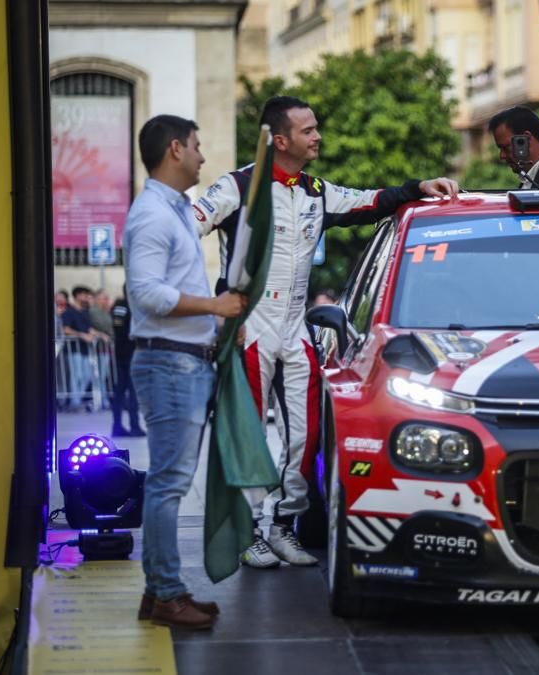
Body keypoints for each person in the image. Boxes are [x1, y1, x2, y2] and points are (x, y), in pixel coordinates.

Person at [194, 95, 459, 569]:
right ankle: (248, 530)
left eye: (316, 128)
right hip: (249, 325)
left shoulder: (315, 189)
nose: (318, 137)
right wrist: (214, 310)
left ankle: (282, 527)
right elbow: (182, 232)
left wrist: (419, 187)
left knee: (307, 434)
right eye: (308, 130)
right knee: (249, 432)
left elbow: (371, 202)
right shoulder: (237, 187)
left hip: (296, 324)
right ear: (280, 140)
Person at [124, 114, 248, 629]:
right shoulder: (153, 214)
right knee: (169, 483)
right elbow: (146, 294)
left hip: (180, 360)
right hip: (169, 362)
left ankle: (162, 592)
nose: (202, 155)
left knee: (169, 481)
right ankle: (167, 594)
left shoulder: (169, 210)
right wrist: (214, 309)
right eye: (196, 146)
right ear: (175, 149)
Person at [110, 287, 144, 437]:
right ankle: (130, 425)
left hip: (124, 353)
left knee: (123, 391)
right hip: (128, 353)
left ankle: (121, 425)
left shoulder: (122, 306)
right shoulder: (123, 306)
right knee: (130, 391)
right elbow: (120, 329)